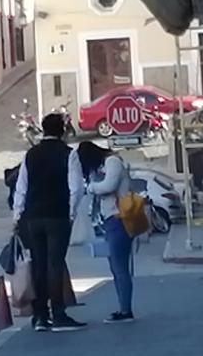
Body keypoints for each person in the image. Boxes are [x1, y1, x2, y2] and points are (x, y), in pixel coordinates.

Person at [12, 112, 86, 333]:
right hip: (58, 215)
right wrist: (70, 213)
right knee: (55, 263)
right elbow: (76, 188)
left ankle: (40, 316)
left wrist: (17, 216)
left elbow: (21, 188)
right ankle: (59, 313)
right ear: (62, 130)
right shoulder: (69, 154)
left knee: (39, 264)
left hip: (33, 217)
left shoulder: (31, 155)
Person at [77, 140, 136, 324]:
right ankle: (123, 307)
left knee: (120, 267)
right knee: (116, 267)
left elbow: (109, 186)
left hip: (119, 217)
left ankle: (126, 310)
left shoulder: (112, 162)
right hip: (111, 219)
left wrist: (92, 187)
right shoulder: (106, 164)